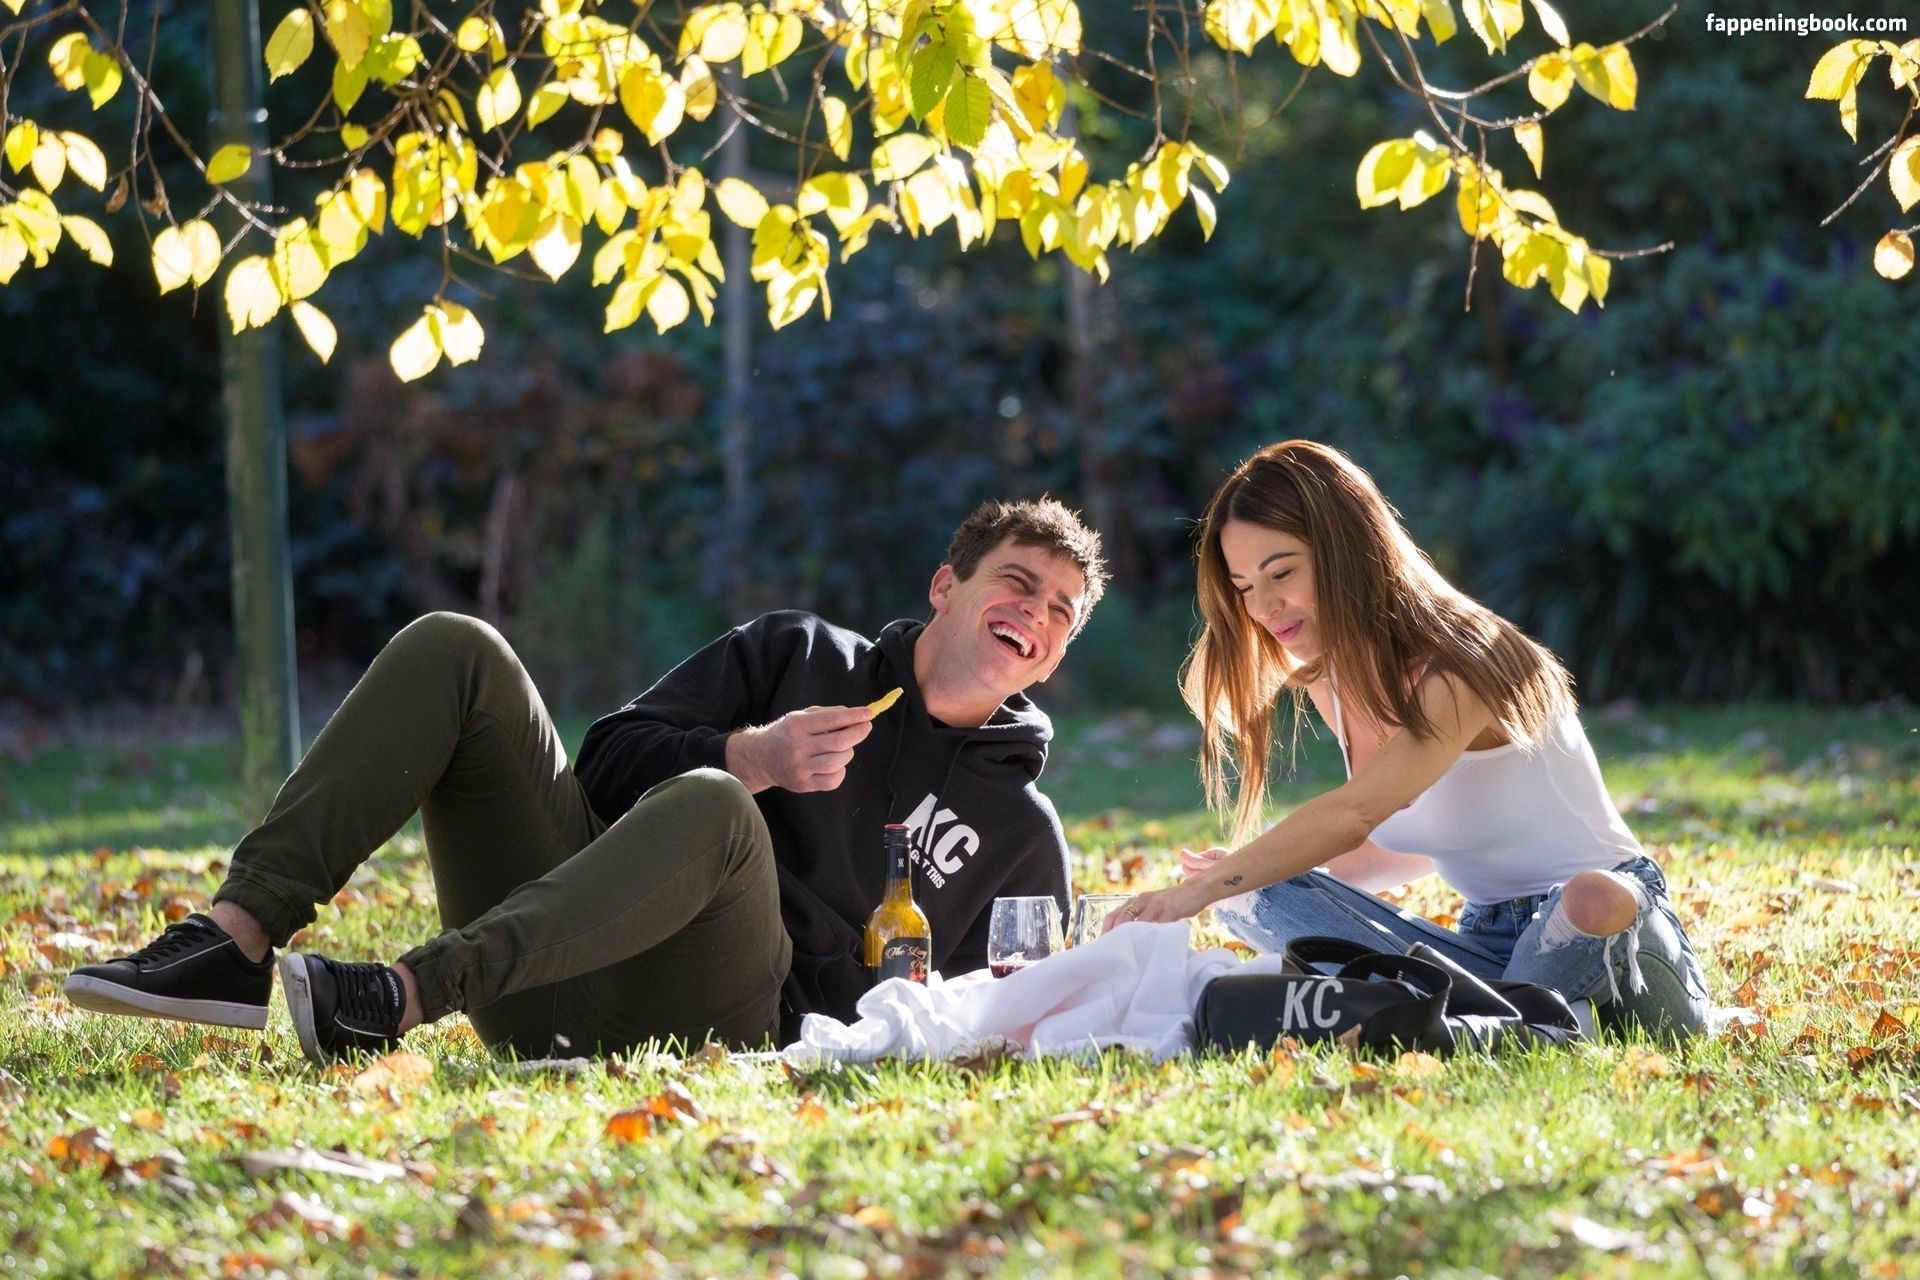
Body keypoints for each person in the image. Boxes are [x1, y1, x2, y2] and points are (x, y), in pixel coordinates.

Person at [66, 498, 1106, 1063]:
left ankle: (403, 994)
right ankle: (234, 938)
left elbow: (1000, 1021)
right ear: (946, 585)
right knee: (457, 646)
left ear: (1056, 655)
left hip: (720, 1020)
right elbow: (606, 759)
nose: (1036, 611)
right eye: (1017, 581)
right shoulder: (796, 654)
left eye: (1061, 611)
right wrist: (753, 754)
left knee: (718, 812)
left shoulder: (1024, 835)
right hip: (554, 959)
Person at [1112, 441, 1708, 1036]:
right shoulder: (1330, 677)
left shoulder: (1468, 658)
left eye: (1282, 572)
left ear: (1347, 552)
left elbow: (1356, 813)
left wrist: (1205, 888)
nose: (1263, 607)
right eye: (1244, 587)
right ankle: (1509, 1022)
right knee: (1249, 892)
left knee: (1590, 897)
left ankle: (1483, 1021)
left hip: (1610, 934)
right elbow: (1412, 843)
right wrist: (1243, 876)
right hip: (1486, 952)